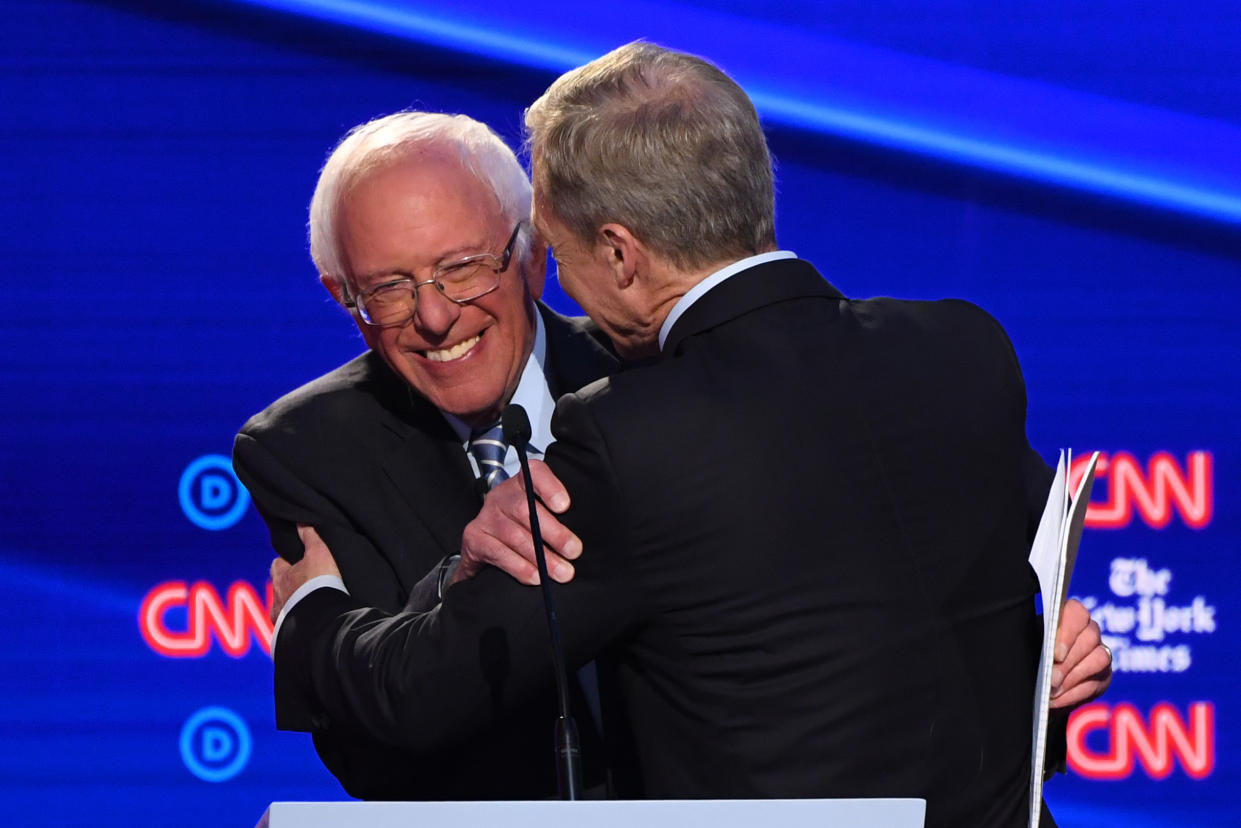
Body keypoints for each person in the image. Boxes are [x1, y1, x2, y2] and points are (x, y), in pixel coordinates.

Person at [268, 43, 1111, 824]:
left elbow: (421, 687)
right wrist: (1051, 660)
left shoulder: (628, 438)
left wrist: (312, 612)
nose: (555, 281)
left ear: (621, 255)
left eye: (556, 253)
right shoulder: (962, 347)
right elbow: (969, 619)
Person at [232, 111, 617, 799]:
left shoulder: (646, 379)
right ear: (344, 299)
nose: (434, 317)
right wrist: (452, 585)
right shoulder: (304, 451)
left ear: (532, 254)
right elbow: (371, 752)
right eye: (388, 288)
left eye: (460, 269)